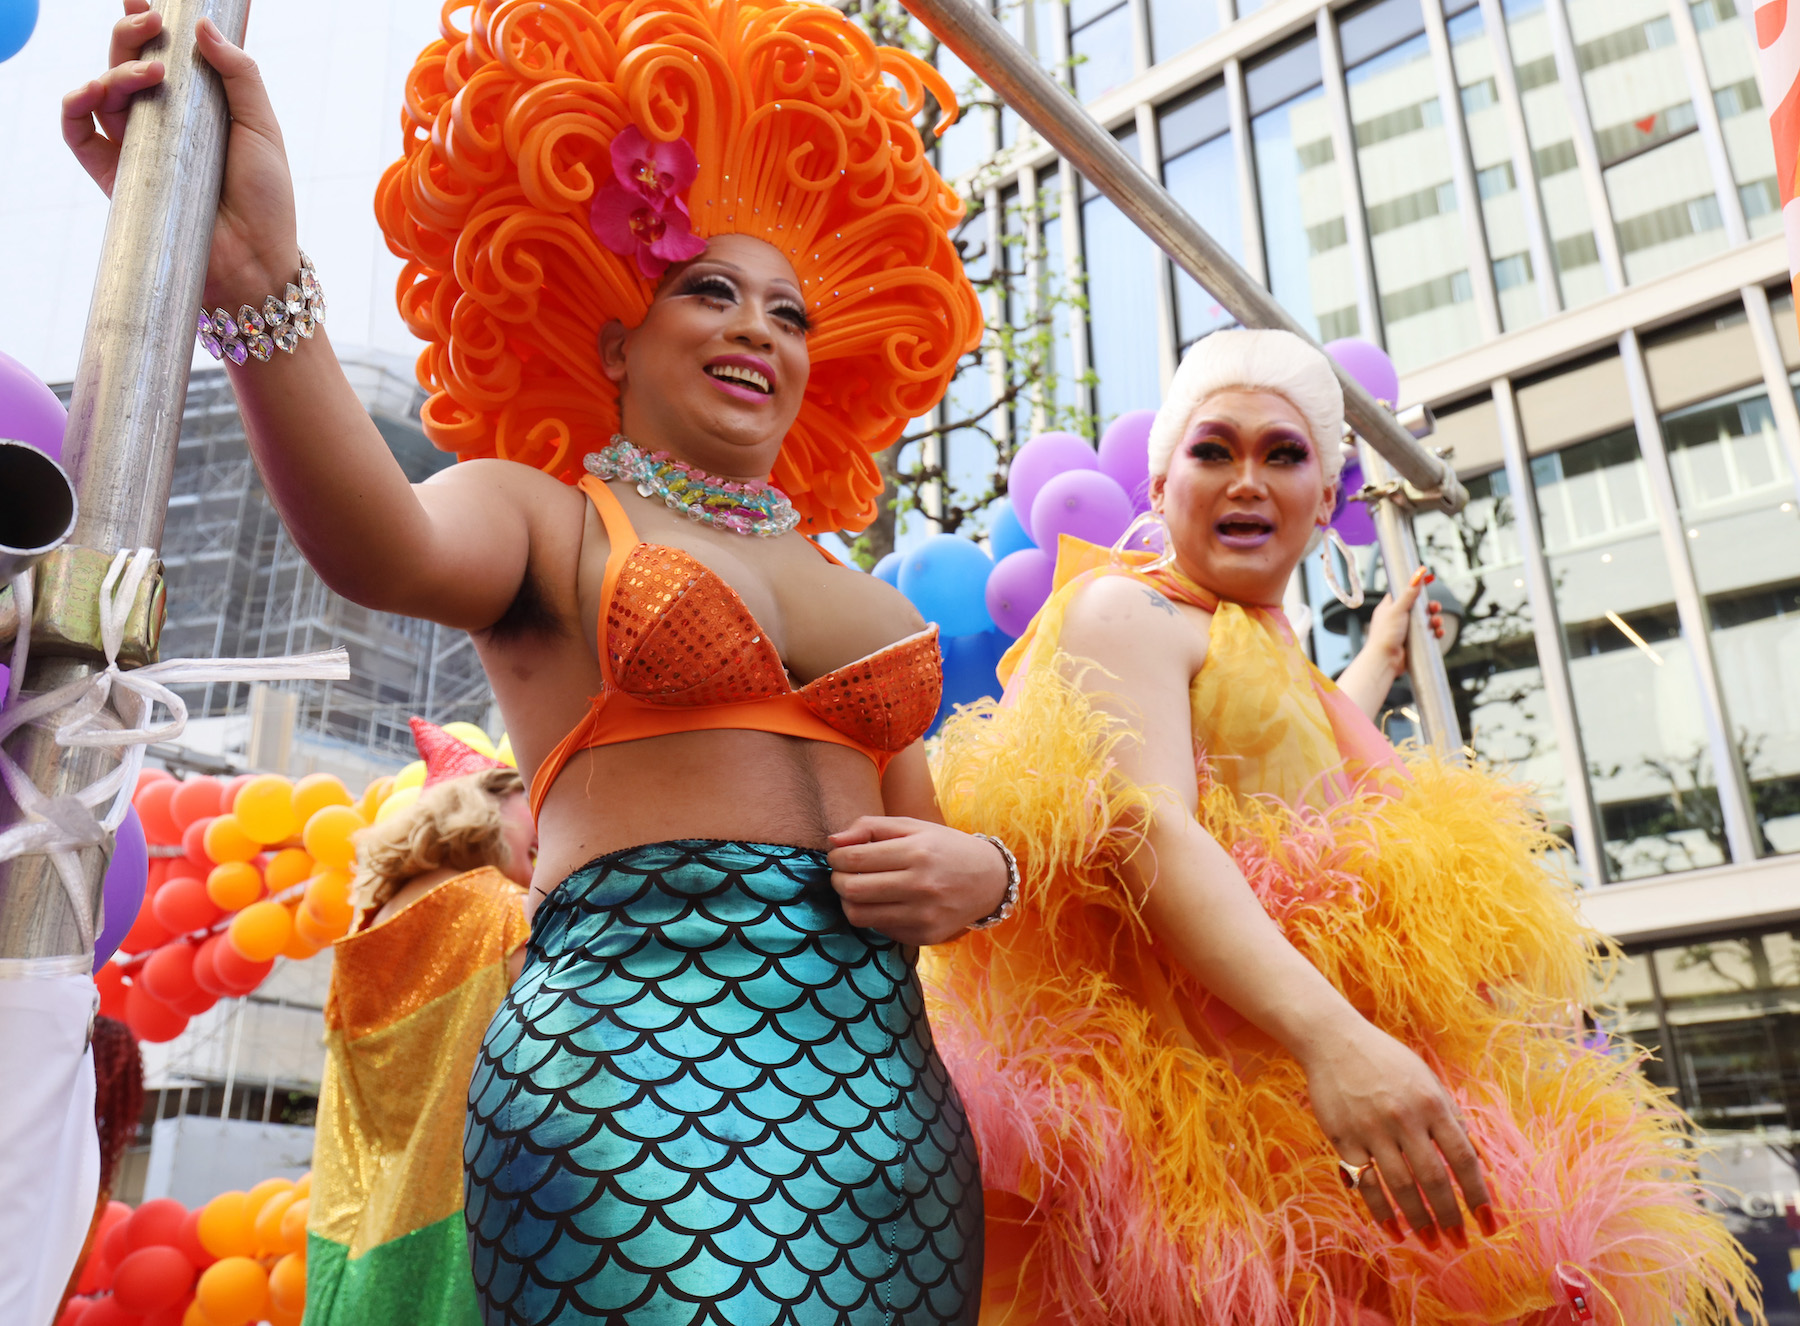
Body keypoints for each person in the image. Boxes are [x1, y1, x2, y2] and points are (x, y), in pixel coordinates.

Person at [67, 3, 1004, 1322]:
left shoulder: (849, 580)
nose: (758, 330)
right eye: (710, 289)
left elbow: (933, 848)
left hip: (885, 1109)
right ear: (615, 338)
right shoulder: (545, 512)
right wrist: (262, 278)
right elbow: (378, 546)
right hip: (631, 1081)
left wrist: (987, 873)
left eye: (791, 310)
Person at [927, 329, 1759, 1325]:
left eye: (1283, 456)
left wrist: (1378, 659)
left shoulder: (1278, 658)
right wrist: (1340, 1043)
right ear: (1158, 484)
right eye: (1212, 450)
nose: (1247, 481)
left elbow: (1290, 759)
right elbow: (1151, 831)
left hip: (1338, 1148)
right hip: (1220, 1149)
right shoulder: (1125, 610)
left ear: (1326, 500)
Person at [305, 719, 533, 1326]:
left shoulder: (366, 930)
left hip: (362, 1255)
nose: (546, 826)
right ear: (482, 803)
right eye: (529, 801)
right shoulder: (506, 912)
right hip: (465, 1250)